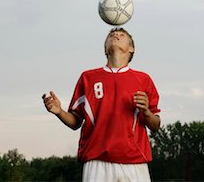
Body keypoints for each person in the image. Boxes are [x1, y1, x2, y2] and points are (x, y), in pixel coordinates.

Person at [43, 27, 161, 182]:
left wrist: (146, 112)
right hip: (96, 161)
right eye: (112, 34)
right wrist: (60, 112)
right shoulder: (88, 78)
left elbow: (156, 125)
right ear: (105, 49)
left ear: (131, 49)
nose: (116, 35)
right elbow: (75, 122)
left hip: (135, 161)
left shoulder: (143, 79)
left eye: (122, 35)